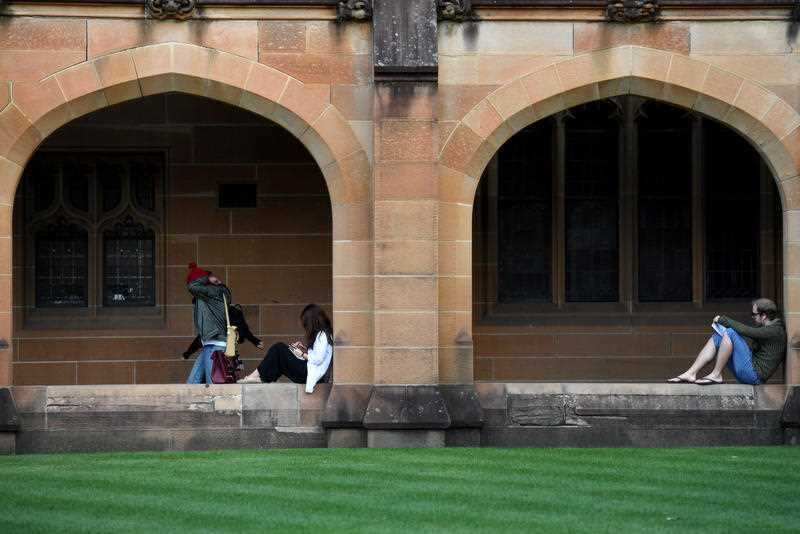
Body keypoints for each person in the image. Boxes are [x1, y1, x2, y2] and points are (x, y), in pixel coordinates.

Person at [668, 298, 786, 385]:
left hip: (754, 376)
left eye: (754, 314)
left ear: (764, 315)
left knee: (730, 332)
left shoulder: (776, 330)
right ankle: (691, 373)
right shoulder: (768, 328)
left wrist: (723, 319)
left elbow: (747, 331)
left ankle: (716, 374)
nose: (752, 317)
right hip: (749, 371)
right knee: (719, 336)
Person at [238, 304, 333, 394]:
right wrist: (303, 349)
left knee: (279, 348)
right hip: (312, 373)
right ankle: (261, 378)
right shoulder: (325, 334)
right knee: (281, 357)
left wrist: (302, 354)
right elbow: (318, 356)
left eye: (306, 323)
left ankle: (255, 376)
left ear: (312, 322)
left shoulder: (322, 335)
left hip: (310, 374)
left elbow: (318, 359)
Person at [185, 262, 231, 385]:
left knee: (213, 387)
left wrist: (206, 276)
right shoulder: (211, 293)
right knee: (192, 383)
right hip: (210, 345)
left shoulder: (212, 291)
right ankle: (192, 405)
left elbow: (192, 286)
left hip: (215, 346)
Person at [182, 304, 264, 360]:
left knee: (211, 378)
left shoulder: (217, 312)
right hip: (226, 347)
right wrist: (255, 341)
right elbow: (243, 329)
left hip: (217, 348)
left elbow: (202, 337)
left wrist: (187, 353)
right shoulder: (230, 310)